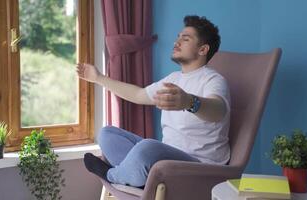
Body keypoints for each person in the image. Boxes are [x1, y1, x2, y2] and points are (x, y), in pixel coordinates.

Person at [77, 15, 230, 188]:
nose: (177, 42)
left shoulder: (213, 80)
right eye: (178, 37)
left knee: (148, 148)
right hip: (168, 161)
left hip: (200, 167)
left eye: (185, 39)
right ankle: (136, 177)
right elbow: (138, 94)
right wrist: (98, 78)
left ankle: (112, 175)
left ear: (203, 49)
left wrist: (189, 101)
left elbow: (219, 110)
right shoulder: (174, 78)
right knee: (107, 134)